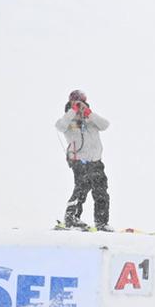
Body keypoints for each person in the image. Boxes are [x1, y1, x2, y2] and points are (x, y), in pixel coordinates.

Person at [55, 89, 112, 231]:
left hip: (96, 161)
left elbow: (105, 125)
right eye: (76, 102)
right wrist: (73, 111)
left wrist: (89, 113)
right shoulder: (68, 120)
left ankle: (101, 222)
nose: (80, 104)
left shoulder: (91, 120)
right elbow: (60, 126)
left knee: (101, 191)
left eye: (82, 102)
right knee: (81, 187)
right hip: (79, 160)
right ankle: (71, 218)